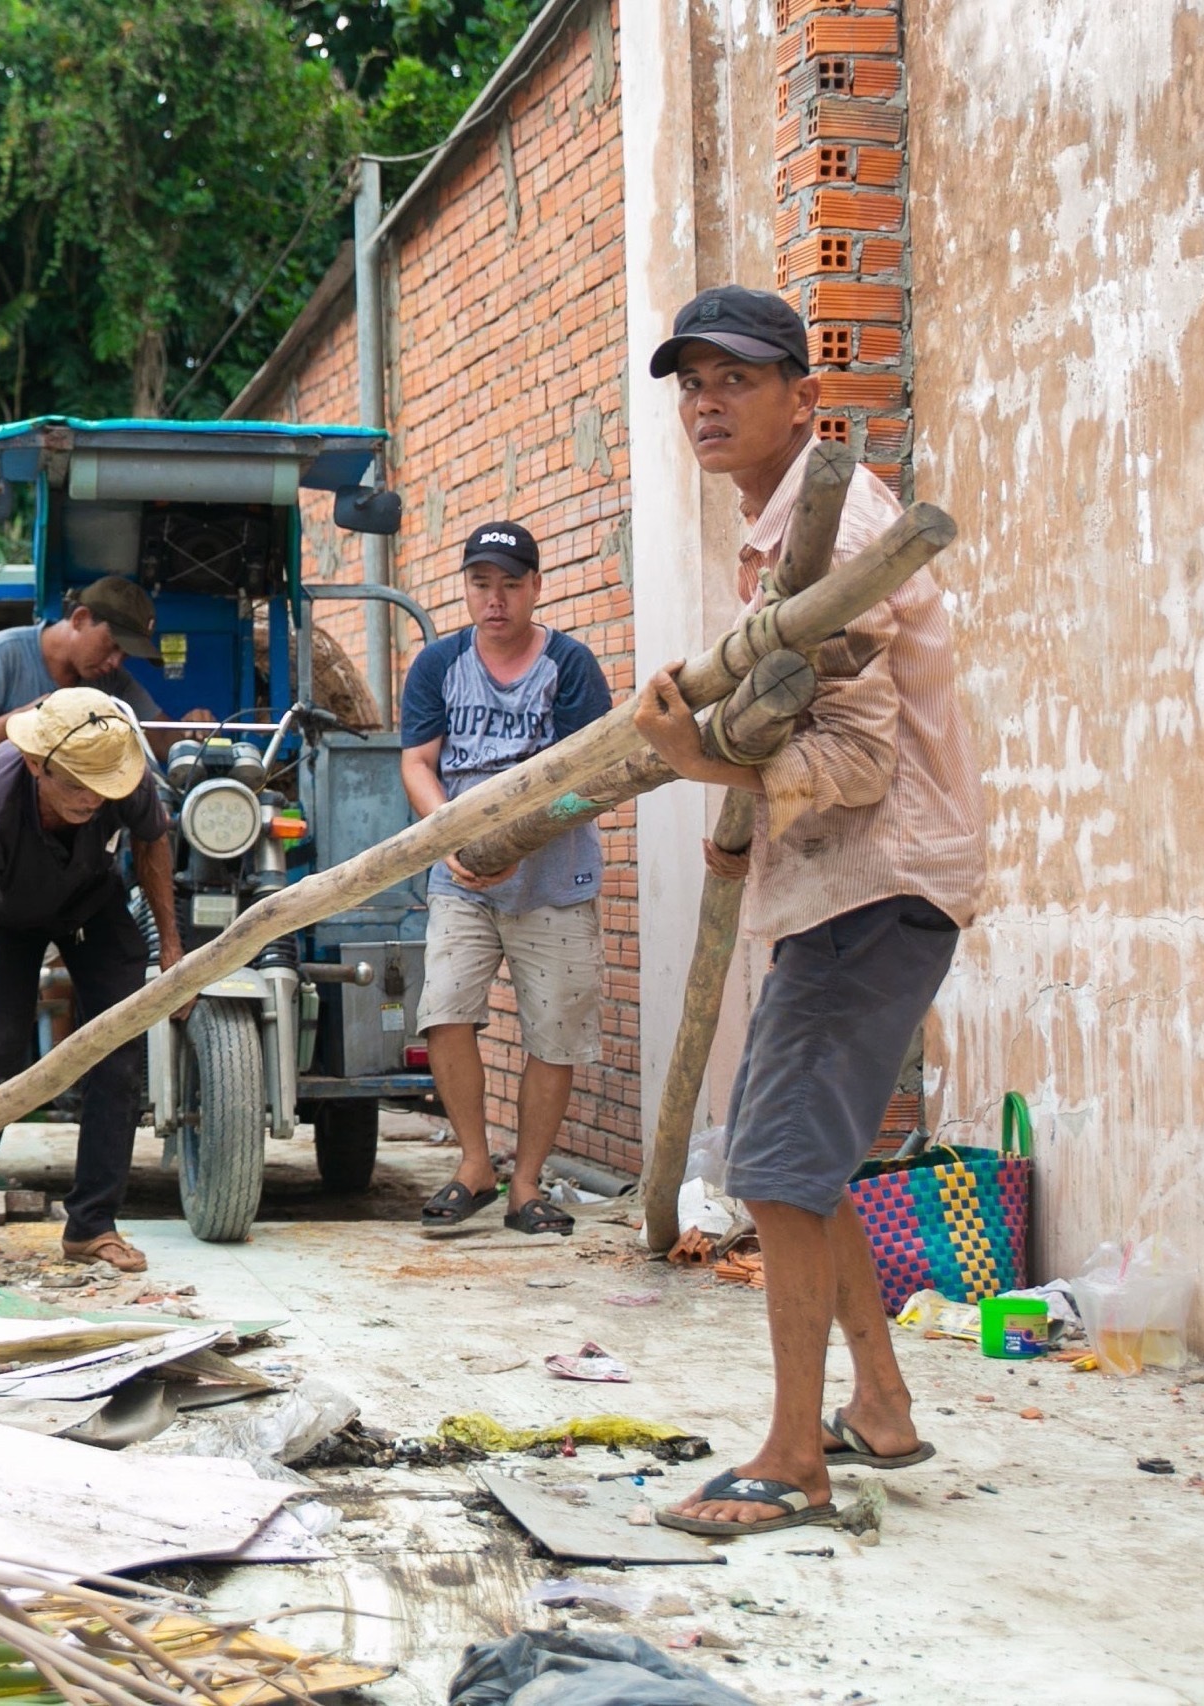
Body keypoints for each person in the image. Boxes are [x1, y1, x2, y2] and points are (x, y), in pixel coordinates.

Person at [631, 283, 986, 1537]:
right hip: (846, 883)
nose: (705, 402)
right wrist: (735, 815)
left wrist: (705, 764)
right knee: (806, 1160)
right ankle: (877, 1407)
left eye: (734, 378)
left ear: (802, 396)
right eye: (690, 382)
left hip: (875, 879)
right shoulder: (778, 535)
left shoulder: (835, 533)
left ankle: (793, 1457)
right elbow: (796, 734)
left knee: (776, 1161)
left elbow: (850, 765)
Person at [0, 688, 183, 1273]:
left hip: (91, 900)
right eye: (78, 787)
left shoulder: (121, 769)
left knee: (117, 1051)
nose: (94, 798)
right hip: (7, 919)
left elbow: (152, 843)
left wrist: (172, 946)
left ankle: (93, 1225)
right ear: (39, 766)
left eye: (102, 787)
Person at [0, 577, 163, 1175]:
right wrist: (24, 723)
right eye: (112, 643)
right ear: (77, 618)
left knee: (95, 910)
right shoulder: (0, 656)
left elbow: (150, 738)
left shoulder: (106, 679)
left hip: (54, 842)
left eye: (126, 653)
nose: (117, 661)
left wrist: (194, 729)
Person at [399, 521, 614, 1237]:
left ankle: (527, 1186)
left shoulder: (571, 666)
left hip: (554, 878)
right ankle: (474, 1166)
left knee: (554, 1034)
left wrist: (523, 840)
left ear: (536, 588)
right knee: (444, 1011)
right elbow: (418, 763)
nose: (495, 601)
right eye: (481, 585)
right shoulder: (438, 665)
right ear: (466, 588)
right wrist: (453, 835)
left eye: (511, 585)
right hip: (459, 877)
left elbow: (592, 775)